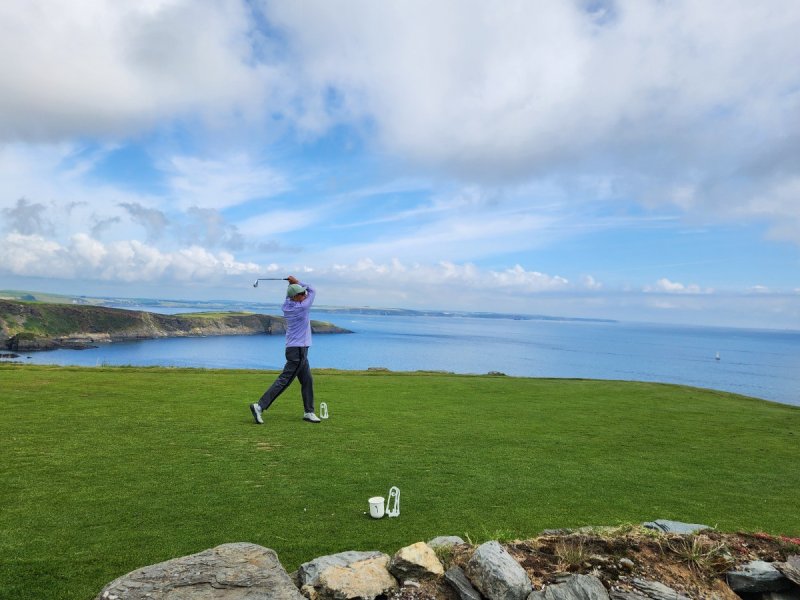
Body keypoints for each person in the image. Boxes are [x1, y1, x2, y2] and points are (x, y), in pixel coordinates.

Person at [250, 276, 321, 424]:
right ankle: (260, 406)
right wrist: (297, 281)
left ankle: (309, 412)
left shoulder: (287, 304)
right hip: (298, 350)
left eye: (303, 292)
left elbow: (291, 294)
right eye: (301, 294)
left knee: (307, 380)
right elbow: (313, 290)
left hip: (295, 348)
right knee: (285, 380)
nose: (305, 294)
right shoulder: (301, 308)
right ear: (295, 297)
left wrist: (292, 285)